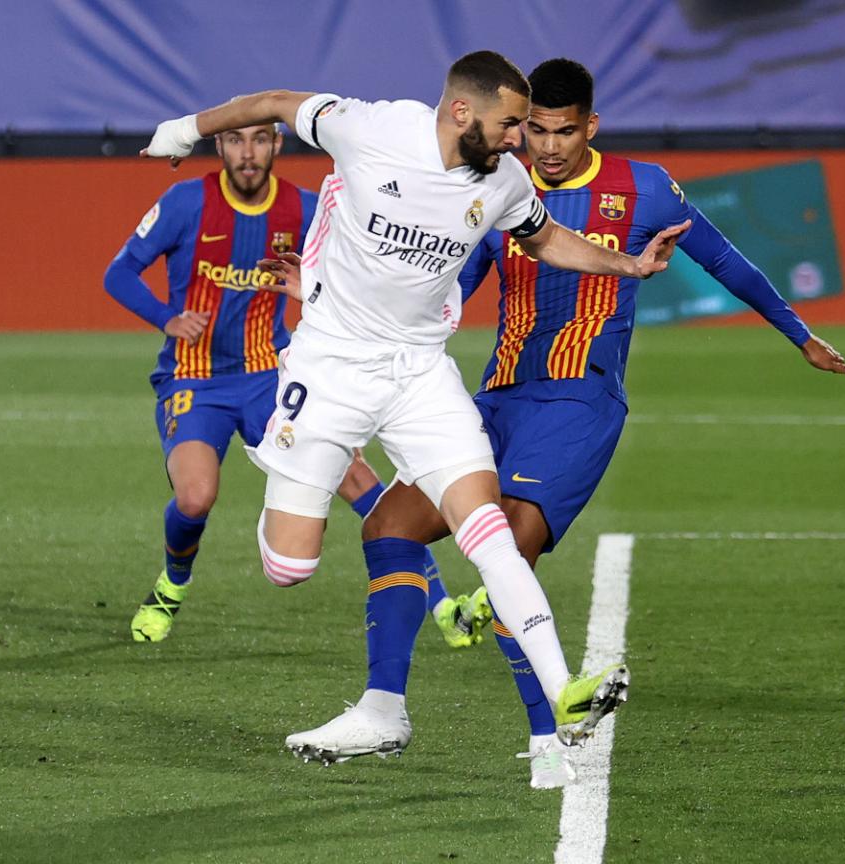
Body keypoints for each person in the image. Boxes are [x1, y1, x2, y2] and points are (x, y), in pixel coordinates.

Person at [141, 50, 690, 764]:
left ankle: (561, 692)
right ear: (462, 112)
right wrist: (186, 128)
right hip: (330, 365)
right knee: (289, 566)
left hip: (418, 372)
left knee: (486, 527)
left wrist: (630, 264)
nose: (518, 139)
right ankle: (291, 461)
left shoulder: (504, 181)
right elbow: (275, 101)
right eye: (509, 124)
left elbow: (547, 238)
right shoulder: (371, 130)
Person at [338, 57, 845, 787]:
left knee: (510, 546)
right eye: (535, 131)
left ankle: (549, 738)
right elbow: (443, 283)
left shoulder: (642, 188)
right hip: (495, 398)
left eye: (563, 131)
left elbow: (725, 260)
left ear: (592, 126)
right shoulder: (495, 189)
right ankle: (384, 709)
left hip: (580, 399)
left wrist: (799, 334)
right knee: (386, 526)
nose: (547, 147)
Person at [105, 122, 485, 646]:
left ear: (277, 145)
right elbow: (119, 273)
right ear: (218, 145)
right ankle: (172, 584)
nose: (248, 152)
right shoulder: (185, 202)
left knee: (357, 479)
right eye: (236, 140)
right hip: (194, 378)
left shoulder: (307, 209)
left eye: (260, 139)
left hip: (273, 375)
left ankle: (441, 601)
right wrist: (167, 318)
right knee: (195, 498)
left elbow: (359, 268)